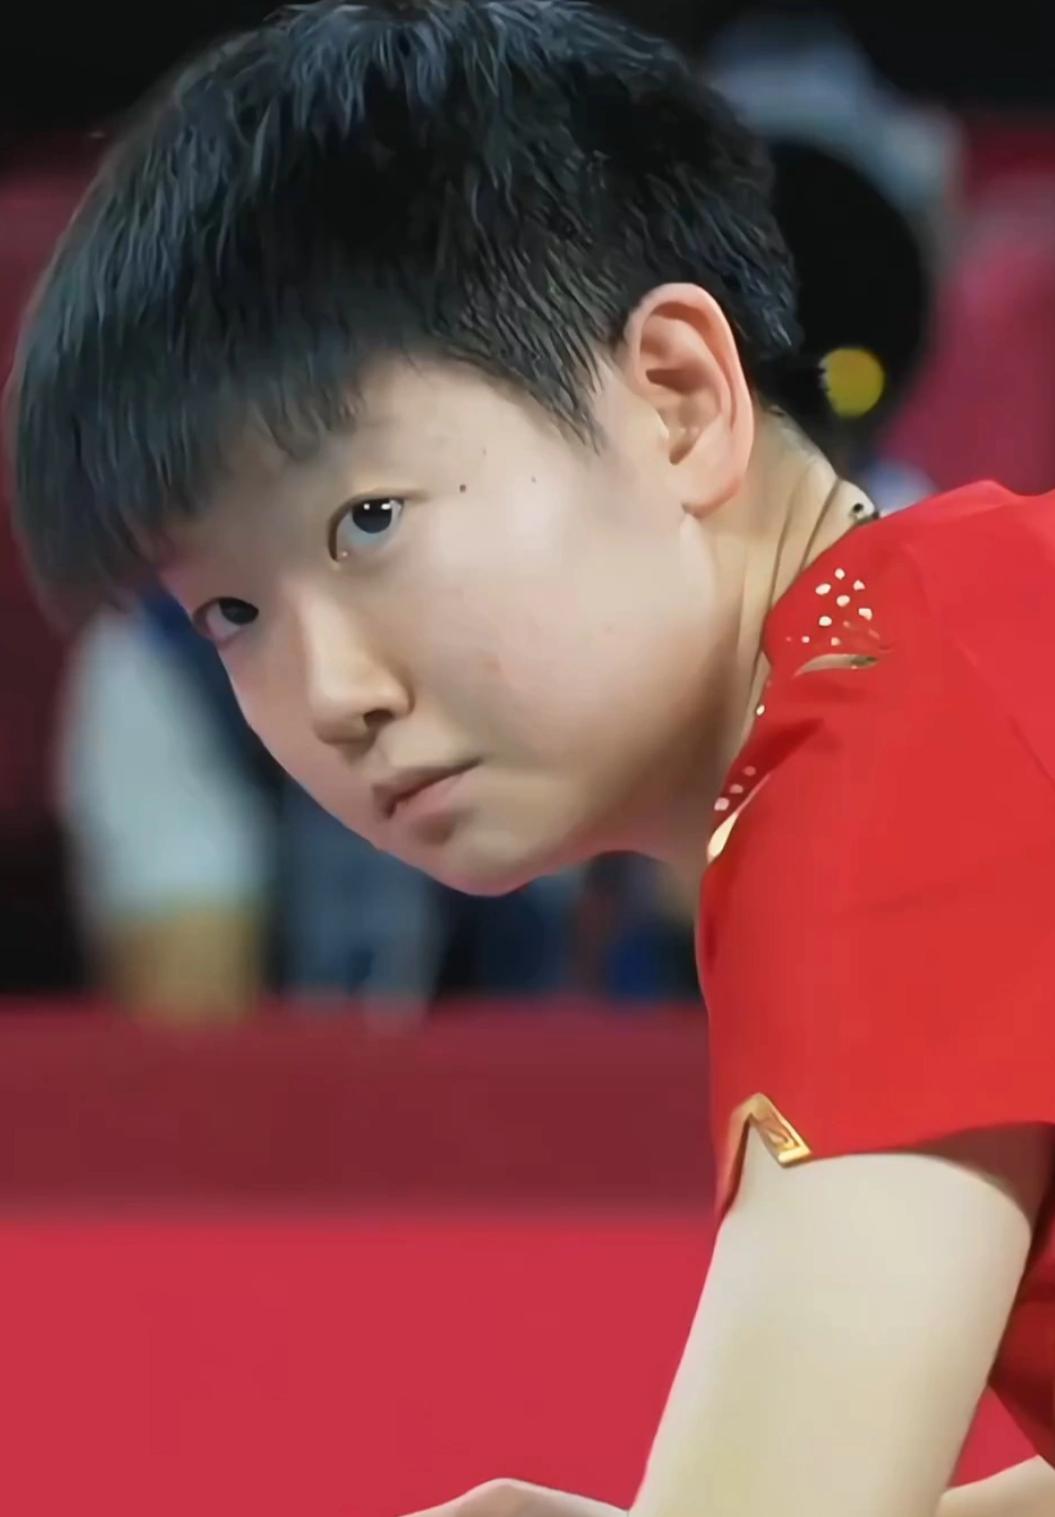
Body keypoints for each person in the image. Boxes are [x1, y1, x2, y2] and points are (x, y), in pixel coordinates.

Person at [8, 4, 1055, 1514]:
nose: (330, 694)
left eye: (368, 521)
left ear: (677, 399)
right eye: (231, 612)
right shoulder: (964, 638)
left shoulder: (898, 748)